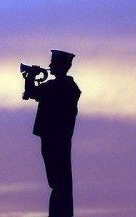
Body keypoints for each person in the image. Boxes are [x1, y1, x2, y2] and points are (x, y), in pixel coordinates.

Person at [22, 50, 81, 217]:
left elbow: (32, 93)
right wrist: (30, 78)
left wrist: (30, 77)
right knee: (57, 179)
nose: (49, 66)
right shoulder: (59, 86)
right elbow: (31, 94)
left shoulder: (62, 87)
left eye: (53, 63)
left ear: (62, 66)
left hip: (55, 137)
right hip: (53, 135)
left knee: (58, 180)